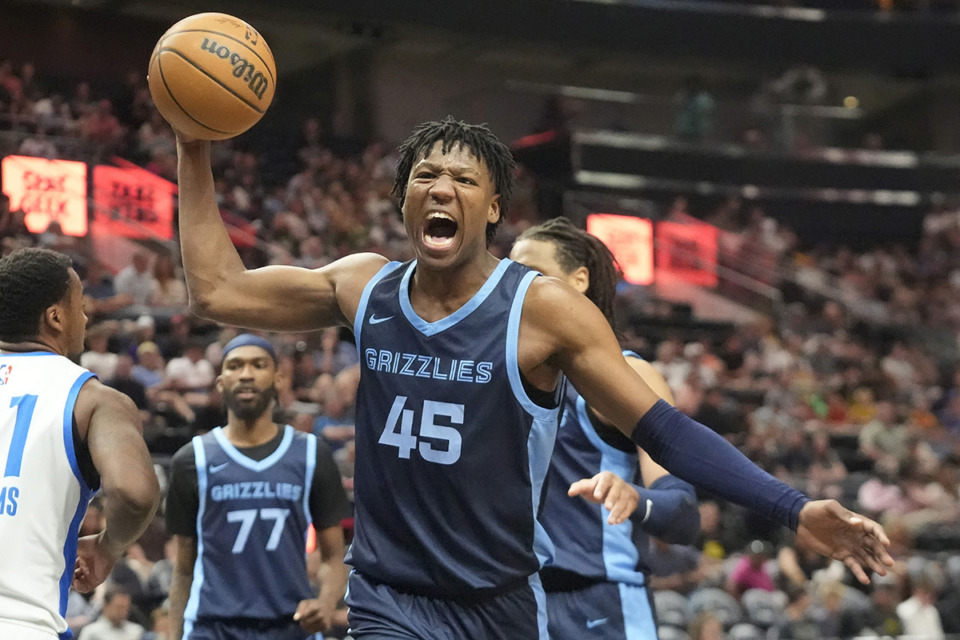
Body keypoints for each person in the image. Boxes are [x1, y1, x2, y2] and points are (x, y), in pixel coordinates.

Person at [174, 116, 892, 639]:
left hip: (501, 600)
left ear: (493, 208)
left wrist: (795, 508)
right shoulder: (364, 287)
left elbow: (666, 432)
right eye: (425, 175)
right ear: (403, 201)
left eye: (463, 178)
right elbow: (216, 291)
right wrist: (193, 144)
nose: (441, 188)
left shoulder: (542, 311)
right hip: (387, 593)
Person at [509, 217, 700, 639]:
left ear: (578, 280)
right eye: (509, 276)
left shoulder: (628, 376)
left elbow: (684, 514)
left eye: (531, 276)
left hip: (600, 603)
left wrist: (637, 497)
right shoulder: (493, 373)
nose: (515, 290)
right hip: (510, 603)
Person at [0, 248, 160, 640]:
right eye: (80, 305)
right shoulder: (94, 399)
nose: (87, 317)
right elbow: (135, 493)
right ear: (55, 317)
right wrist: (107, 546)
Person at [165, 334, 350, 640]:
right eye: (235, 366)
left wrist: (326, 602)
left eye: (258, 365)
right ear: (221, 382)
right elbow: (183, 569)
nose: (247, 374)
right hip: (213, 626)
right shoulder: (191, 459)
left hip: (292, 625)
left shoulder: (311, 454)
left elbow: (333, 556)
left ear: (278, 379)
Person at [76, 586, 144, 640]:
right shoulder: (91, 632)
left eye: (126, 608)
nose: (123, 612)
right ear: (105, 606)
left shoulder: (136, 631)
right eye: (119, 607)